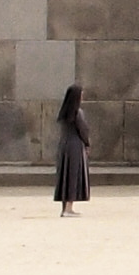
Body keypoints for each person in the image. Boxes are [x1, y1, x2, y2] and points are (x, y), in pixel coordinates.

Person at [54, 81, 90, 214]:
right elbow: (83, 130)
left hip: (64, 146)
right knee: (73, 176)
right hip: (75, 146)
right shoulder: (77, 113)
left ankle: (65, 208)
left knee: (65, 176)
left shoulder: (64, 112)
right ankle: (69, 208)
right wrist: (87, 143)